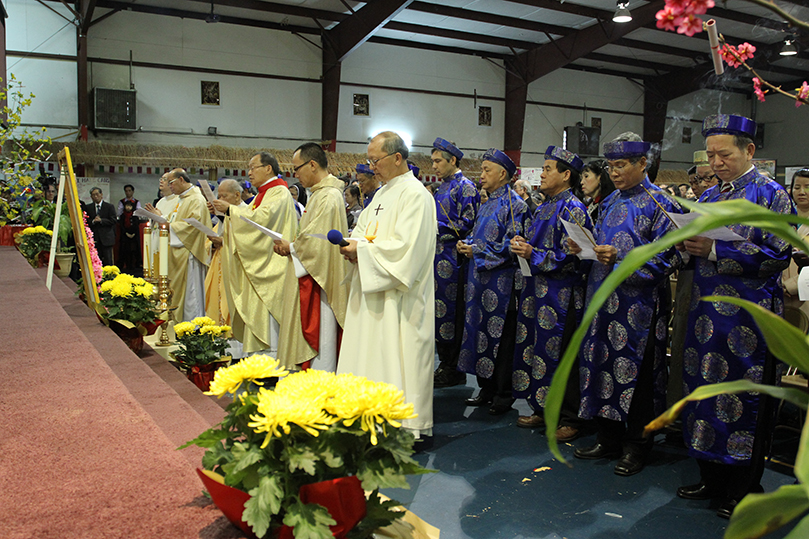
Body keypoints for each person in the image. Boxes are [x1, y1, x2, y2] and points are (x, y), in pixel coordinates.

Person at [677, 114, 794, 519]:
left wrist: (714, 251)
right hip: (707, 319)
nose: (715, 163)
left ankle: (743, 488)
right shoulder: (709, 197)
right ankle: (711, 477)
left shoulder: (771, 195)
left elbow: (778, 255)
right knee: (706, 396)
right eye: (710, 156)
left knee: (744, 400)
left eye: (723, 154)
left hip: (749, 323)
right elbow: (689, 245)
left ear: (749, 151)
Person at [570, 133, 682, 477]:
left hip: (639, 309)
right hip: (604, 301)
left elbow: (670, 256)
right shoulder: (610, 201)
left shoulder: (661, 204)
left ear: (642, 164)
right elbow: (600, 247)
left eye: (621, 165)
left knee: (640, 377)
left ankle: (637, 445)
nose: (614, 173)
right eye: (610, 166)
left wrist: (621, 260)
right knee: (602, 366)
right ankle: (609, 437)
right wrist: (585, 249)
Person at [337, 131, 436, 441]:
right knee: (370, 355)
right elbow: (365, 231)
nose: (372, 167)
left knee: (399, 357)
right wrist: (352, 245)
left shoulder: (416, 195)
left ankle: (403, 428)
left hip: (400, 298)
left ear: (397, 158)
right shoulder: (380, 194)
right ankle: (367, 419)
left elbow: (407, 250)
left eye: (375, 160)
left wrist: (362, 251)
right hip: (372, 289)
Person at [511, 146, 591, 441]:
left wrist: (534, 253)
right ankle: (542, 407)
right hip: (538, 292)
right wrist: (522, 245)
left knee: (564, 355)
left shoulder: (574, 208)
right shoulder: (544, 206)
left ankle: (570, 417)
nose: (541, 174)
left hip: (563, 295)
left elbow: (578, 257)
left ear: (566, 174)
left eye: (547, 169)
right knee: (537, 350)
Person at [457, 149, 527, 415]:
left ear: (503, 174)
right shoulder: (486, 204)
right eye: (482, 169)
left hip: (503, 286)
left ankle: (502, 394)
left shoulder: (515, 206)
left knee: (503, 340)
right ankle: (486, 388)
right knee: (481, 336)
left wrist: (479, 251)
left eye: (487, 170)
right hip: (480, 283)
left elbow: (513, 247)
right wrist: (469, 245)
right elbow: (478, 236)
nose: (482, 174)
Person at [210, 152, 299, 356]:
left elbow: (261, 218)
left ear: (268, 168)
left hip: (270, 264)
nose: (249, 172)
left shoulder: (279, 192)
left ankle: (270, 361)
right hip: (259, 262)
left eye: (253, 167)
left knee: (268, 315)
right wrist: (226, 213)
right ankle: (259, 359)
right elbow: (249, 219)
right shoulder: (263, 194)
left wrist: (231, 210)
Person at [274, 143, 349, 371]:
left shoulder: (329, 196)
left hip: (321, 282)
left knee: (322, 337)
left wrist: (292, 247)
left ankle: (320, 386)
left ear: (313, 165)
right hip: (312, 273)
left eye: (297, 168)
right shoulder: (320, 194)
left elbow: (319, 244)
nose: (295, 175)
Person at [431, 138, 480, 388]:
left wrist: (436, 226)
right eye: (433, 161)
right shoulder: (440, 188)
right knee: (439, 315)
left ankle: (454, 367)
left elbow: (469, 225)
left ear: (453, 160)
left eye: (438, 161)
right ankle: (445, 363)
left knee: (452, 314)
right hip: (437, 259)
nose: (435, 166)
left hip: (454, 261)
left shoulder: (467, 188)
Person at [162, 169, 211, 323]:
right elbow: (173, 219)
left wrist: (168, 225)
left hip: (190, 252)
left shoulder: (196, 199)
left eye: (171, 182)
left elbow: (193, 227)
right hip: (178, 251)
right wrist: (162, 219)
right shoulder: (182, 198)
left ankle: (191, 326)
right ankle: (176, 321)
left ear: (181, 180)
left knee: (191, 292)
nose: (170, 186)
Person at [204, 179, 244, 326]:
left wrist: (224, 242)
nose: (220, 200)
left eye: (224, 196)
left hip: (236, 267)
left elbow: (247, 240)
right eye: (218, 196)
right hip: (220, 262)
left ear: (237, 195)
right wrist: (213, 243)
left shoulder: (245, 212)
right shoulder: (224, 213)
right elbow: (219, 233)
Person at [783, 168, 809, 320]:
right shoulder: (783, 217)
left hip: (804, 292)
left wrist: (792, 285)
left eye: (807, 187)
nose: (802, 192)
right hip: (780, 291)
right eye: (797, 187)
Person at [84, 187, 117, 266]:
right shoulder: (88, 207)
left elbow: (113, 220)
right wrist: (93, 221)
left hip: (106, 238)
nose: (95, 196)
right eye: (93, 195)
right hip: (94, 238)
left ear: (101, 195)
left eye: (97, 194)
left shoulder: (109, 206)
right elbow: (85, 221)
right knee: (95, 260)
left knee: (108, 260)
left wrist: (101, 220)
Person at [118, 199, 141, 274]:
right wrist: (126, 233)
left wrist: (133, 233)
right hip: (125, 236)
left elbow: (136, 225)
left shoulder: (135, 215)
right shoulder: (122, 216)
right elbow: (121, 226)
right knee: (125, 251)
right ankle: (126, 266)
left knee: (133, 250)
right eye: (127, 206)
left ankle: (134, 266)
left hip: (134, 236)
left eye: (130, 206)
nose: (128, 208)